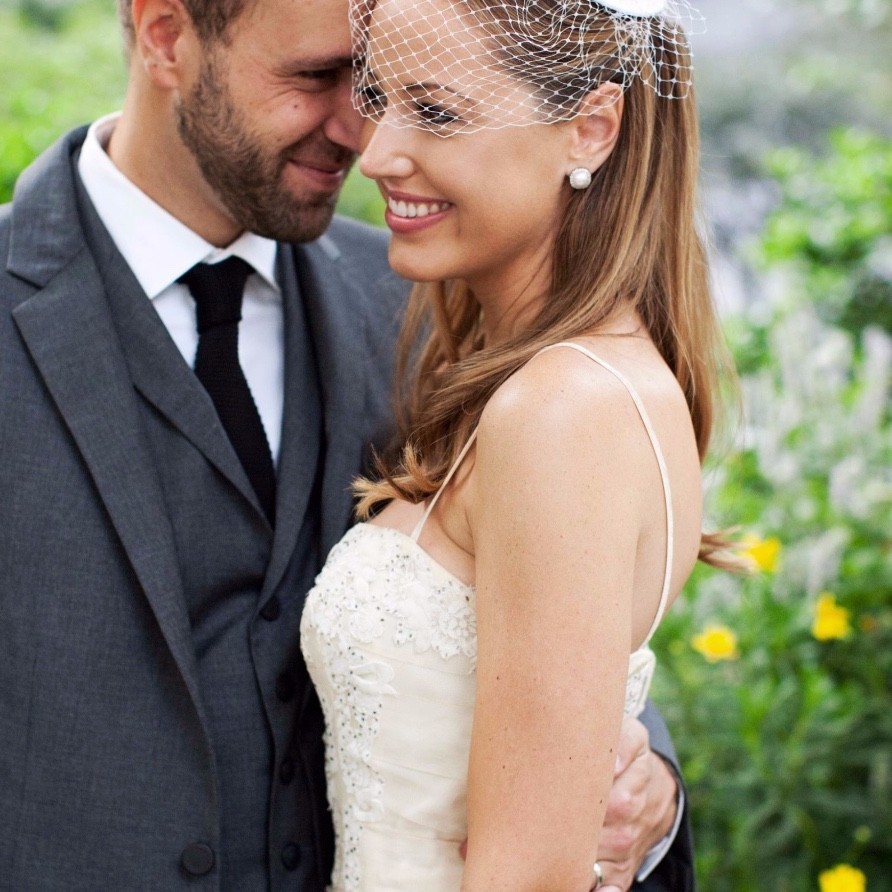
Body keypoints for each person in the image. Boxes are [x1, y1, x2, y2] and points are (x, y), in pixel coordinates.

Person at [0, 0, 690, 889]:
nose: (363, 136)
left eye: (381, 87)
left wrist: (645, 781)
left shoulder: (425, 302)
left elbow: (539, 609)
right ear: (166, 34)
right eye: (320, 77)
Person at [300, 0, 727, 889]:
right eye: (379, 97)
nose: (376, 154)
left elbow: (529, 876)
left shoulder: (561, 411)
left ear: (591, 129)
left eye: (437, 112)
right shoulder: (561, 381)